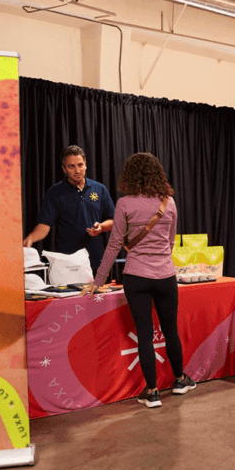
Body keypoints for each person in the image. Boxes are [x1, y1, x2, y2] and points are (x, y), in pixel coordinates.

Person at [80, 153, 193, 408]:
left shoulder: (124, 204)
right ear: (158, 173)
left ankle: (152, 392)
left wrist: (99, 280)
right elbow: (171, 242)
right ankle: (179, 380)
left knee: (144, 334)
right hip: (165, 276)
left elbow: (114, 245)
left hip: (135, 277)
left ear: (129, 175)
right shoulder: (170, 202)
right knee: (170, 329)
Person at [23, 145, 115, 274]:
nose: (77, 170)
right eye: (71, 166)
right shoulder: (55, 192)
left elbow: (113, 220)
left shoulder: (99, 189)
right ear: (64, 169)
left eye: (80, 165)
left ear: (86, 165)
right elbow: (44, 225)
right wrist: (31, 238)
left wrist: (101, 227)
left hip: (96, 260)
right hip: (68, 264)